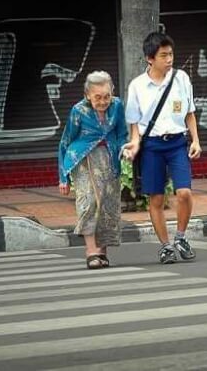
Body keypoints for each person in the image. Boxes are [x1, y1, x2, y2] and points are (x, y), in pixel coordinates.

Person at [123, 32, 202, 264]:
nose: (169, 59)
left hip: (177, 142)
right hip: (152, 147)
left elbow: (189, 113)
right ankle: (166, 246)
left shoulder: (181, 78)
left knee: (184, 192)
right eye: (164, 55)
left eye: (171, 54)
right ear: (150, 58)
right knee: (156, 199)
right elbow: (134, 124)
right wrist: (135, 144)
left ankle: (180, 237)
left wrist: (195, 140)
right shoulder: (137, 86)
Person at [58, 71, 127, 269]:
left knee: (107, 205)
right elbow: (65, 142)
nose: (103, 101)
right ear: (87, 94)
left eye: (107, 96)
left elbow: (122, 134)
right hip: (83, 159)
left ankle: (102, 252)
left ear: (112, 91)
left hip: (110, 159)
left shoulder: (117, 106)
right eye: (98, 97)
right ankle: (91, 251)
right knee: (88, 202)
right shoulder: (78, 111)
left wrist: (126, 149)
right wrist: (63, 177)